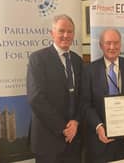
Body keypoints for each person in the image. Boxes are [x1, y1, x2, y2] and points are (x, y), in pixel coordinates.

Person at [81, 28, 124, 163]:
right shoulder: (89, 70)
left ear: (120, 44)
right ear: (101, 45)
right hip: (99, 139)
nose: (112, 47)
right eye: (108, 43)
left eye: (116, 43)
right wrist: (98, 126)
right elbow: (85, 104)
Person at [27, 14, 83, 163]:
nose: (66, 35)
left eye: (70, 31)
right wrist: (63, 127)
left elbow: (82, 96)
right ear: (52, 33)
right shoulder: (38, 59)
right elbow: (36, 98)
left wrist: (76, 121)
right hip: (48, 139)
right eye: (61, 31)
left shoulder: (78, 60)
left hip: (73, 139)